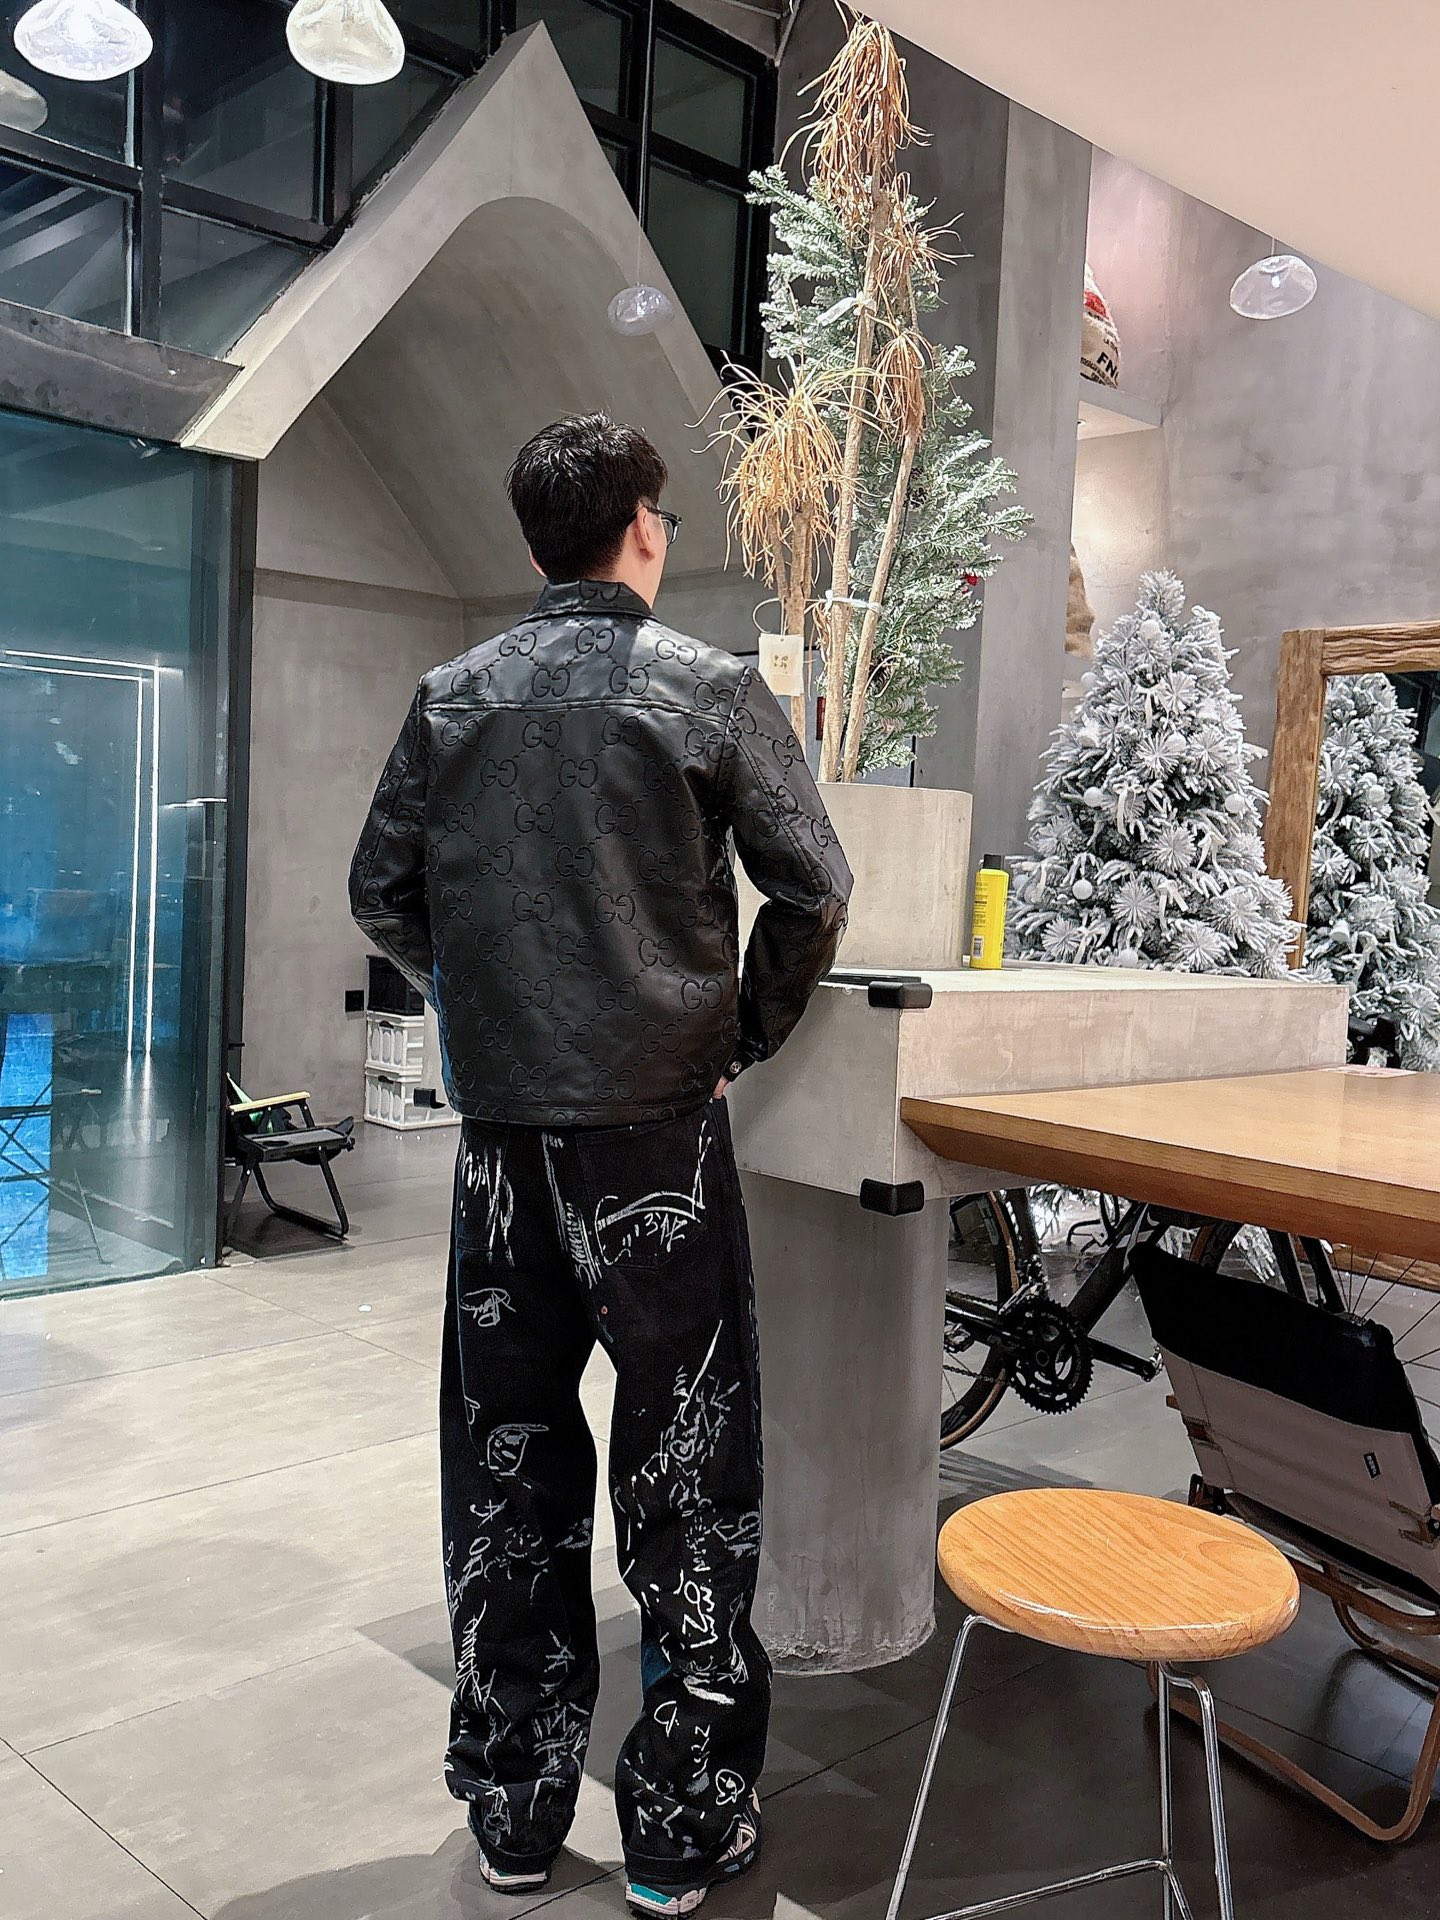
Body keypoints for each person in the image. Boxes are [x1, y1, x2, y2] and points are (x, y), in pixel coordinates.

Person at [349, 413, 851, 1914]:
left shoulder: (453, 697)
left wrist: (483, 1004)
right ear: (642, 525)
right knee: (688, 1466)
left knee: (507, 1465)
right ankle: (681, 1829)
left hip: (503, 1150)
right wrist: (739, 1030)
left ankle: (514, 1812)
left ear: (532, 543)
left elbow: (381, 892)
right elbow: (814, 888)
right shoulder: (708, 690)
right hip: (658, 1144)